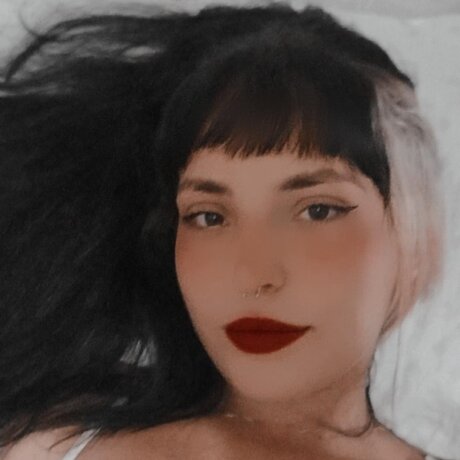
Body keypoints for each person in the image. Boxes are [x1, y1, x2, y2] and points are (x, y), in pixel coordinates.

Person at [0, 3, 445, 459]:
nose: (253, 274)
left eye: (316, 210)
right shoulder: (47, 444)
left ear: (412, 234)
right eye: (209, 217)